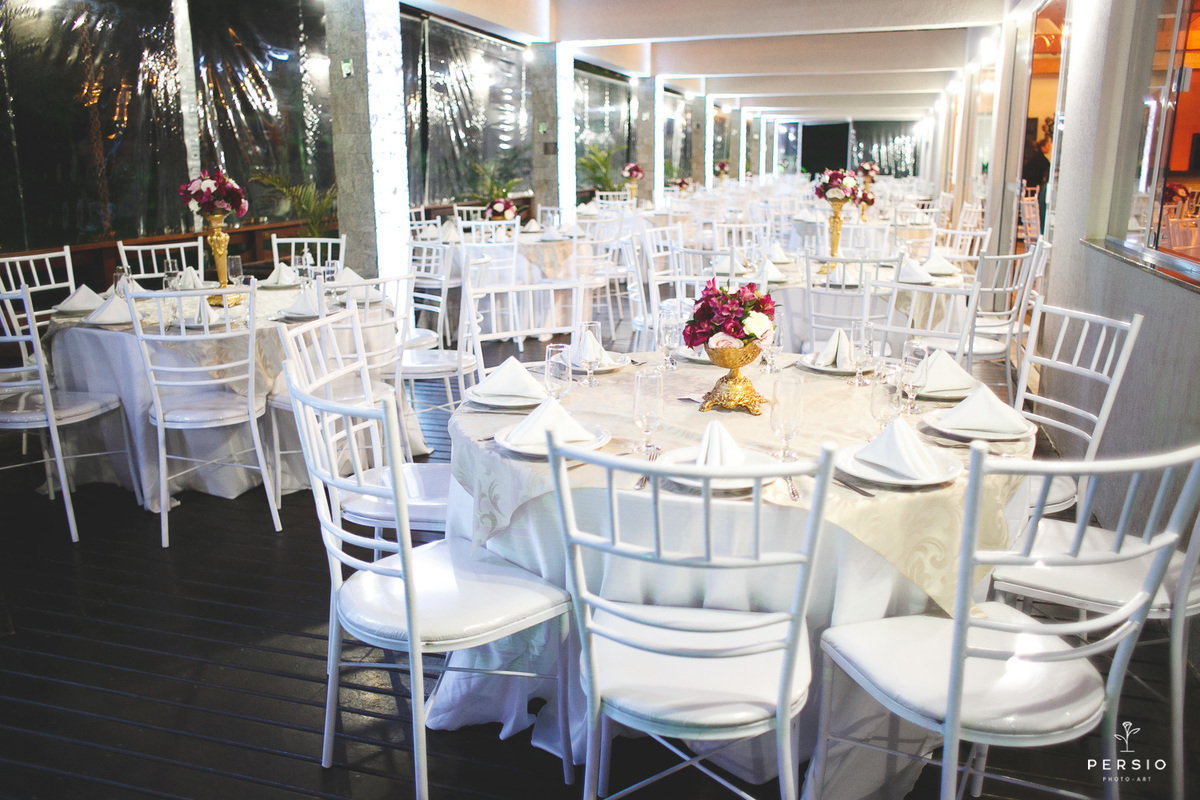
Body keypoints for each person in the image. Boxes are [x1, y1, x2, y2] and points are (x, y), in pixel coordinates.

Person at [1022, 134, 1051, 233]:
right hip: (1032, 185)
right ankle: (1042, 231)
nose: (1049, 148)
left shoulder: (1037, 156)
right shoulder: (1039, 157)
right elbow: (1049, 166)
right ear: (1043, 147)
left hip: (1032, 185)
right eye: (1048, 146)